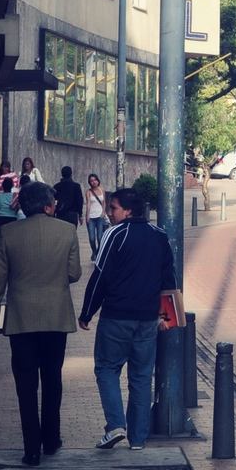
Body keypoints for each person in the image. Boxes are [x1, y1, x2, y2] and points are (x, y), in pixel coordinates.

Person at [0, 181, 81, 467]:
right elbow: (73, 273)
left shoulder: (8, 233)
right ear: (49, 205)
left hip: (21, 319)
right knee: (52, 378)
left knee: (25, 384)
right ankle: (51, 440)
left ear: (24, 206)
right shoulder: (67, 231)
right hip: (56, 318)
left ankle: (31, 450)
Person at [79, 188, 177, 451]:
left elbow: (100, 276)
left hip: (116, 318)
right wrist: (167, 316)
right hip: (148, 319)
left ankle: (115, 426)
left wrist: (87, 312)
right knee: (142, 376)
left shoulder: (114, 234)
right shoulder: (160, 236)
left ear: (128, 211)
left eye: (113, 208)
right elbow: (169, 280)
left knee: (107, 369)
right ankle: (138, 438)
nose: (110, 213)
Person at [85, 174, 108, 256]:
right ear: (89, 182)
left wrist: (103, 212)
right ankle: (94, 252)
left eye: (95, 180)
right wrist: (87, 216)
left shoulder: (102, 189)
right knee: (92, 238)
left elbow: (104, 202)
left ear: (98, 180)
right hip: (91, 217)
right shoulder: (88, 192)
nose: (93, 182)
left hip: (100, 217)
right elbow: (88, 204)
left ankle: (99, 253)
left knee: (99, 237)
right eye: (91, 181)